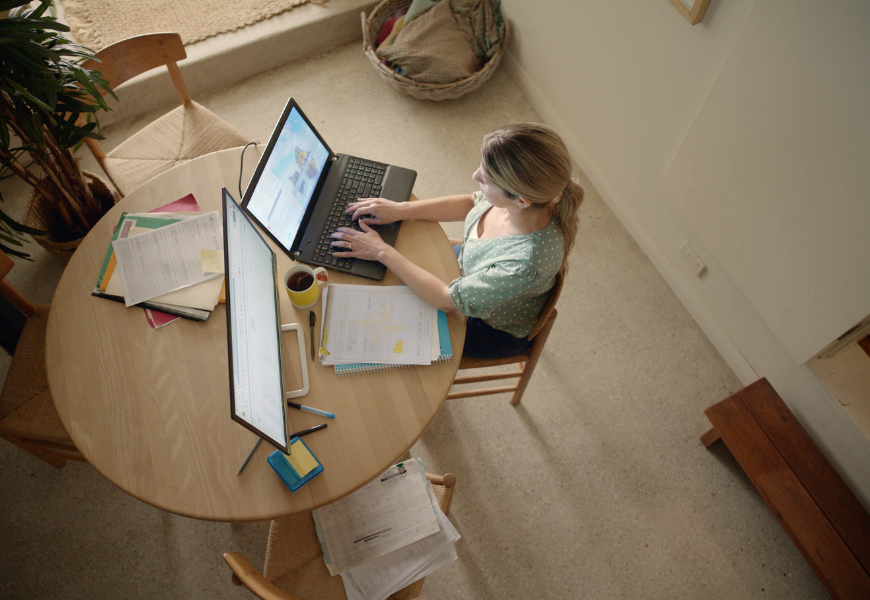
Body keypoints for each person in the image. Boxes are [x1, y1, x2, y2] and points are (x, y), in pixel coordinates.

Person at [331, 122, 584, 359]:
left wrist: (381, 252)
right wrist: (401, 209)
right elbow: (471, 202)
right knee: (380, 281)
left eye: (485, 179)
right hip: (469, 273)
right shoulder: (527, 203)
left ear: (521, 200)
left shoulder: (523, 264)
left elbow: (445, 299)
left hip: (488, 328)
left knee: (378, 334)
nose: (475, 176)